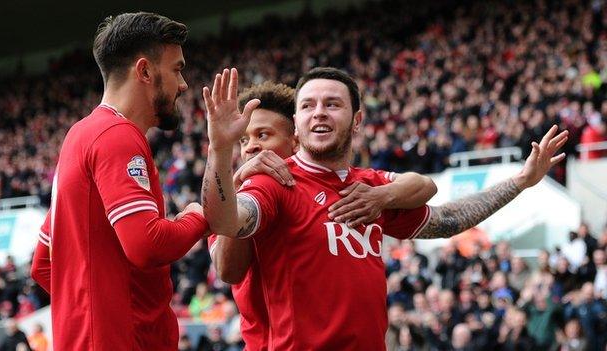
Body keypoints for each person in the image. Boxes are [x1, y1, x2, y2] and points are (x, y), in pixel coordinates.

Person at [201, 66, 568, 349]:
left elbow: (448, 219)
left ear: (357, 120)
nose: (320, 113)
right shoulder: (275, 182)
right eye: (308, 106)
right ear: (297, 124)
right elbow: (232, 223)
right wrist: (221, 154)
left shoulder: (371, 184)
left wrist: (520, 182)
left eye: (333, 104)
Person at [207, 81, 437, 350]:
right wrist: (225, 163)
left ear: (295, 139)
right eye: (244, 140)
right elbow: (228, 269)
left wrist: (382, 197)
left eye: (263, 135)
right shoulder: (257, 189)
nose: (251, 147)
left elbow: (426, 187)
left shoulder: (361, 183)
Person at [30, 12, 208, 350]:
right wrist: (197, 216)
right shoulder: (116, 136)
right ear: (144, 71)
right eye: (177, 69)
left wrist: (93, 309)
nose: (183, 84)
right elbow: (147, 244)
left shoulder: (79, 136)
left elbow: (43, 264)